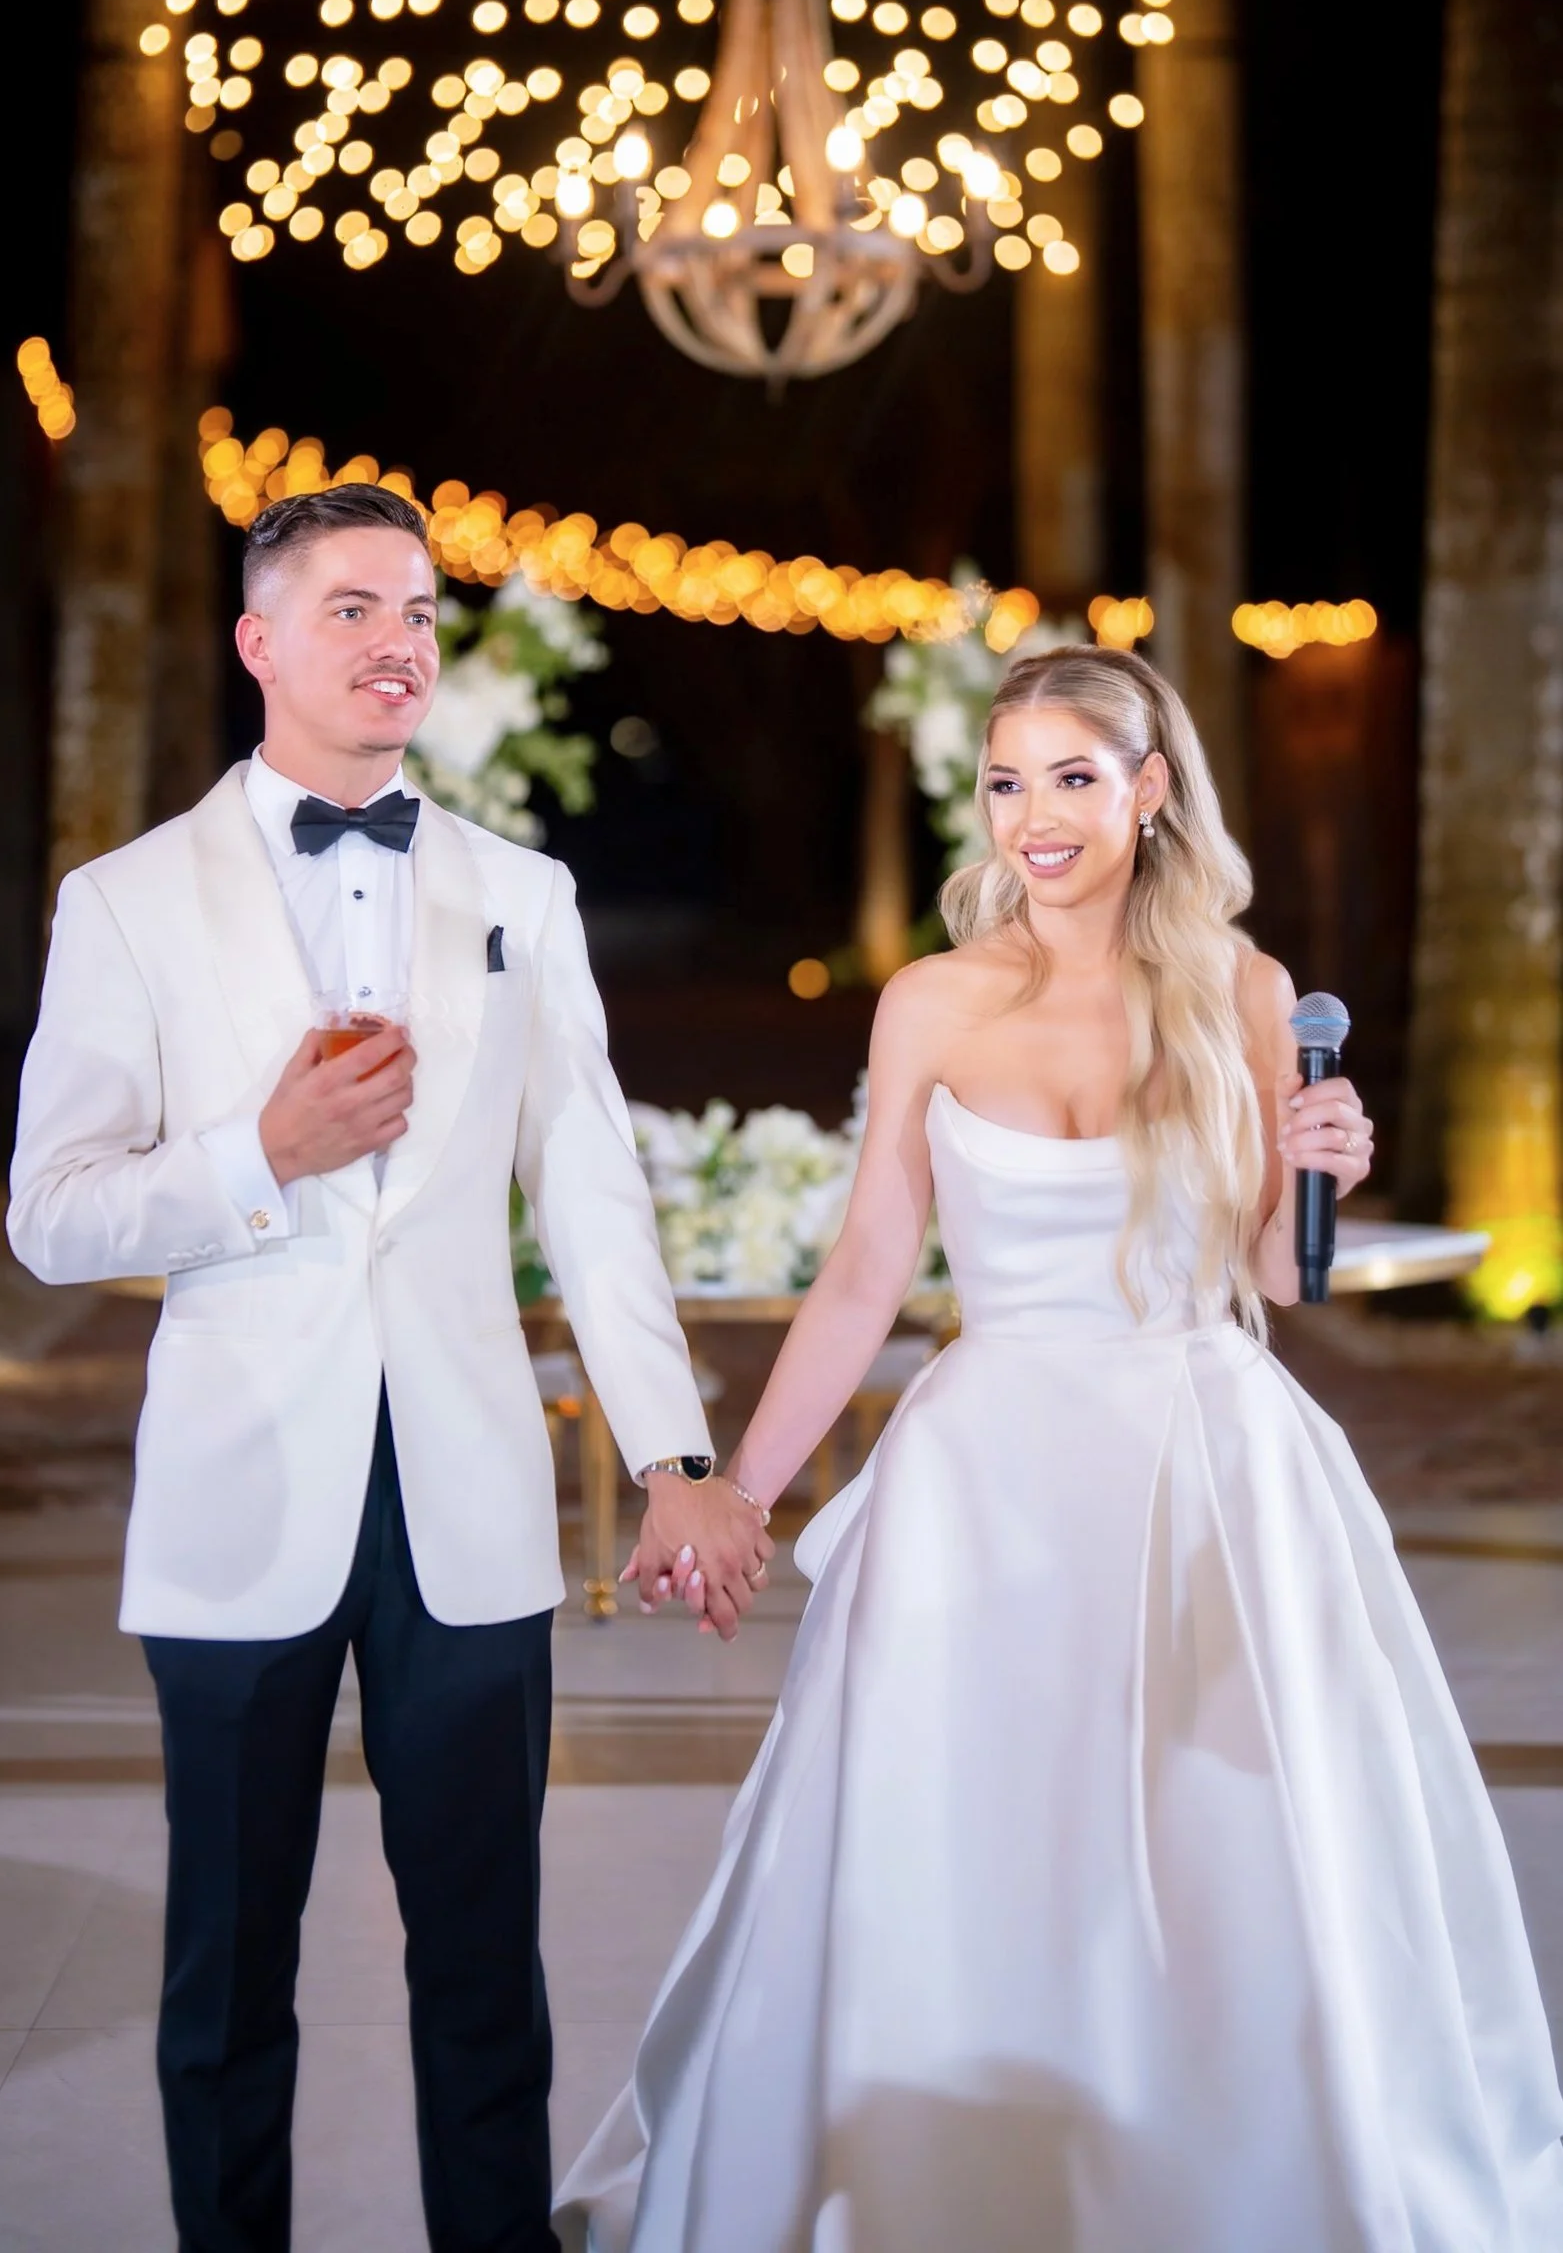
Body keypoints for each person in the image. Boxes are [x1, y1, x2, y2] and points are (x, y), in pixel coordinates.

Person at [558, 645, 1563, 2252]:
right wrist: (742, 1491)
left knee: (1218, 1839)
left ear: (1148, 790)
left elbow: (1271, 1280)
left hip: (1204, 1461)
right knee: (981, 1837)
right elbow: (867, 1269)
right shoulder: (934, 1000)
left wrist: (1321, 1165)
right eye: (1007, 782)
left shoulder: (1244, 991)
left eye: (1074, 779)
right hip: (989, 1482)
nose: (1034, 815)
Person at [7, 480, 772, 2253]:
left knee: (486, 1969)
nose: (397, 640)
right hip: (236, 1497)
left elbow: (592, 1193)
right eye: (350, 608)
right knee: (225, 1977)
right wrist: (258, 1154)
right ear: (259, 643)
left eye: (419, 609)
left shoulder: (522, 893)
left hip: (468, 1498)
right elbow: (52, 1214)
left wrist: (671, 1457)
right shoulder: (124, 902)